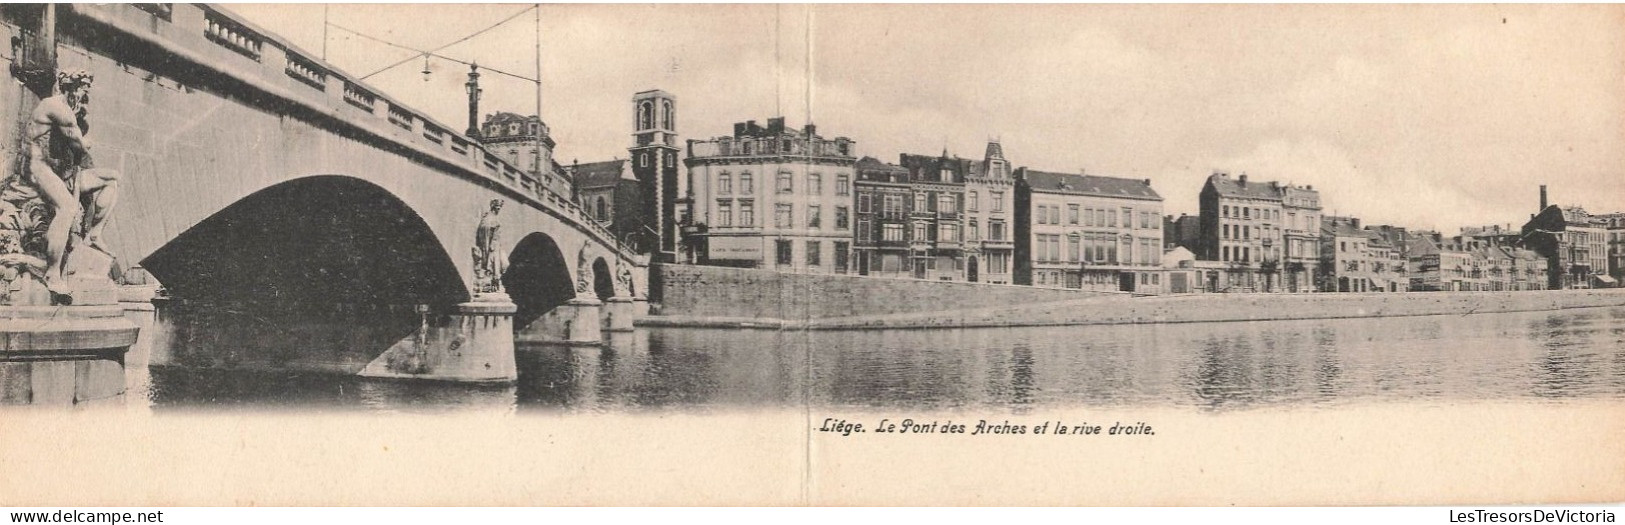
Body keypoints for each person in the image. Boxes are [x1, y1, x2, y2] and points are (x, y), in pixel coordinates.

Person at [25, 69, 120, 295]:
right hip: (39, 168)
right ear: (71, 88)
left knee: (112, 179)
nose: (84, 98)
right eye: (82, 92)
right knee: (66, 207)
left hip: (62, 171)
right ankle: (53, 273)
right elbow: (80, 145)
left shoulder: (68, 110)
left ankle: (95, 234)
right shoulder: (58, 108)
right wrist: (86, 137)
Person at [474, 199, 506, 292]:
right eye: (497, 208)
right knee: (492, 264)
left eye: (499, 208)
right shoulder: (488, 219)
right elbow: (486, 233)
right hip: (492, 246)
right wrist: (490, 245)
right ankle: (490, 282)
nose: (498, 210)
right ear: (493, 207)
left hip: (495, 245)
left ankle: (494, 281)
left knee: (501, 264)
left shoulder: (492, 218)